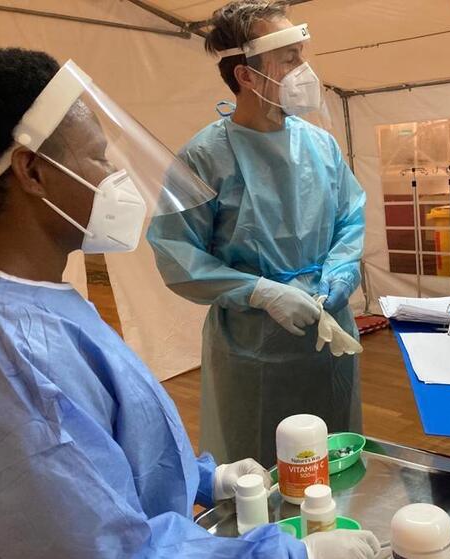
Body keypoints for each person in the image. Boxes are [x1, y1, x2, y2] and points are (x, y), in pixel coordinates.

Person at [0, 47, 379, 559]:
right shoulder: (5, 353)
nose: (114, 175)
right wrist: (293, 554)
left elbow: (103, 452)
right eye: (98, 158)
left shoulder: (36, 304)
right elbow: (109, 549)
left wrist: (204, 478)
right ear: (33, 172)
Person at [147, 0, 366, 467]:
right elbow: (175, 251)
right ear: (246, 75)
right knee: (259, 469)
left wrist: (341, 271)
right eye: (288, 60)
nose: (303, 71)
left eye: (301, 56)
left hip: (329, 334)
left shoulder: (320, 145)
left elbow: (350, 216)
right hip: (253, 348)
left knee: (333, 457)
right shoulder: (204, 157)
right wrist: (260, 292)